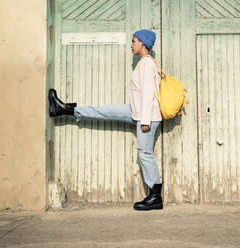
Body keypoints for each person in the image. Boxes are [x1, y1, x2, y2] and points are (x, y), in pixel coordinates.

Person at [48, 29, 163, 211]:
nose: (131, 45)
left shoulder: (147, 64)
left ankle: (155, 197)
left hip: (146, 117)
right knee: (105, 111)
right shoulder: (143, 63)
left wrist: (146, 121)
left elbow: (148, 93)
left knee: (145, 153)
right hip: (136, 112)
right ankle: (65, 109)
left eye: (134, 41)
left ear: (142, 43)